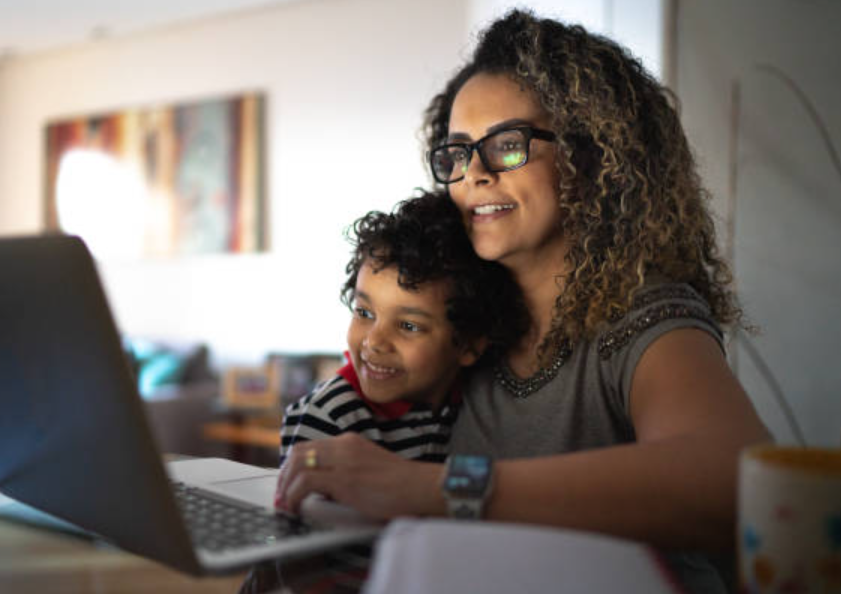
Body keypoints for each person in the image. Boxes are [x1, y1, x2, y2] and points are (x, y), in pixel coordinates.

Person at [276, 10, 771, 593]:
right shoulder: (465, 321)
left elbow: (735, 479)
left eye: (508, 145)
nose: (474, 174)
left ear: (590, 158)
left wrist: (437, 491)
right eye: (458, 152)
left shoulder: (644, 317)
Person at [279, 191, 527, 466]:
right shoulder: (331, 415)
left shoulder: (475, 403)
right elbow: (301, 504)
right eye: (364, 312)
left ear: (469, 345)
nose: (374, 342)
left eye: (408, 325)